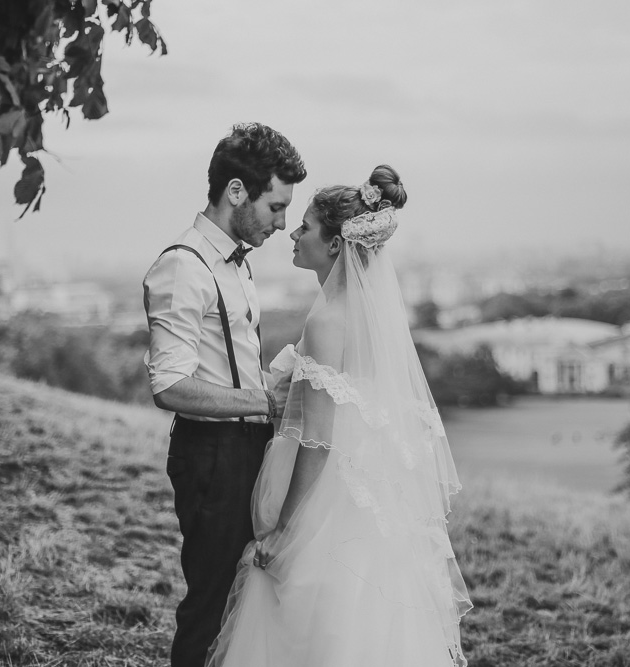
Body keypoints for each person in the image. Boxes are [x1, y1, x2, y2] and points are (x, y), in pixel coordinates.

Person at [206, 165, 472, 667]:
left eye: (304, 225)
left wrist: (286, 526)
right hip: (366, 492)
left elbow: (318, 440)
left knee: (308, 619)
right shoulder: (366, 317)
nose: (293, 232)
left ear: (333, 245)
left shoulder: (328, 320)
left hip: (328, 497)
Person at [142, 122, 307, 667]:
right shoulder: (181, 267)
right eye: (275, 207)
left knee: (249, 598)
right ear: (236, 191)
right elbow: (168, 385)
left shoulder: (235, 260)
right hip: (211, 458)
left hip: (249, 450)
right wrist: (264, 402)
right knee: (210, 606)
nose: (282, 224)